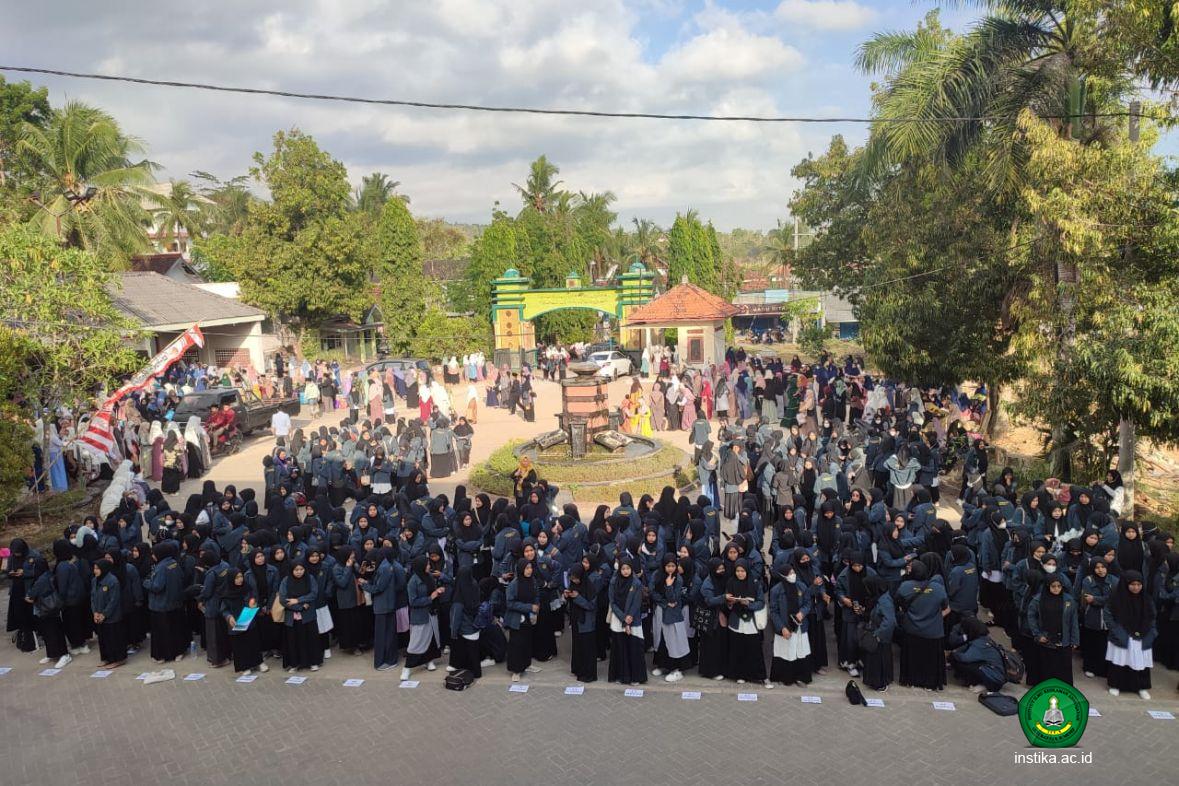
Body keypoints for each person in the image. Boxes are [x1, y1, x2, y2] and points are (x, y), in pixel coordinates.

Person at [896, 560, 949, 690]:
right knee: (930, 660)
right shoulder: (938, 588)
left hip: (912, 630)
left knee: (913, 658)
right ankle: (930, 684)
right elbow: (945, 606)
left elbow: (898, 603)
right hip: (933, 632)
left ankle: (912, 681)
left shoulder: (905, 586)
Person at [1104, 570, 1156, 699]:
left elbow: (1152, 616)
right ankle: (1116, 685)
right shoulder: (1116, 598)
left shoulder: (1146, 599)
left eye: (1139, 584)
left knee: (1141, 662)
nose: (1136, 587)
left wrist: (1151, 632)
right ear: (1126, 584)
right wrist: (1117, 631)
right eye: (1132, 584)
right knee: (1120, 660)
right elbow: (1108, 615)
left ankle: (1141, 687)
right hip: (1122, 635)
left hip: (1142, 635)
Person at [725, 559, 771, 688]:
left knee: (754, 650)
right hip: (736, 620)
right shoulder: (731, 582)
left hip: (751, 621)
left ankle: (760, 676)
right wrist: (730, 602)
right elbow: (727, 602)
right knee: (738, 649)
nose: (740, 573)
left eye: (742, 571)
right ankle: (740, 675)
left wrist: (749, 604)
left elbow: (761, 602)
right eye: (738, 571)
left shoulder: (755, 583)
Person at [1027, 574, 1079, 685]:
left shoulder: (1069, 600)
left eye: (1059, 586)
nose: (1056, 589)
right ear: (1047, 586)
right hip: (1046, 640)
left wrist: (1075, 640)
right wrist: (1038, 634)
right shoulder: (1038, 600)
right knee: (1046, 667)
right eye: (1053, 586)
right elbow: (1031, 618)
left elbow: (1073, 621)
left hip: (1064, 640)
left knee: (1063, 668)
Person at [769, 562, 811, 687]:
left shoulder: (801, 586)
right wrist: (782, 628)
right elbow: (774, 611)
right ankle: (785, 677)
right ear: (783, 576)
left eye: (793, 572)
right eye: (789, 573)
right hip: (785, 626)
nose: (793, 575)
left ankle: (801, 677)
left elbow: (808, 603)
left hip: (799, 626)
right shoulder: (776, 590)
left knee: (800, 650)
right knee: (785, 651)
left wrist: (802, 613)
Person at [402, 555, 444, 680]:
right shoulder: (413, 582)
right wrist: (430, 598)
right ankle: (407, 668)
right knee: (416, 642)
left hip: (431, 613)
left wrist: (438, 591)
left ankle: (428, 660)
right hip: (420, 616)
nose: (429, 566)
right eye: (427, 564)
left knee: (431, 639)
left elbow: (432, 592)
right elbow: (413, 601)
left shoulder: (429, 577)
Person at [26, 556, 71, 669]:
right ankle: (52, 654)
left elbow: (31, 595)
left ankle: (64, 655)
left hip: (47, 609)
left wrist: (29, 597)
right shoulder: (48, 574)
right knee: (49, 633)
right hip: (51, 608)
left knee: (53, 633)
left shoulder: (41, 580)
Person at [278, 560, 323, 672]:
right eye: (296, 570)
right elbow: (283, 600)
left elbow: (313, 594)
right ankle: (295, 664)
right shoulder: (286, 580)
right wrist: (300, 607)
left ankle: (313, 662)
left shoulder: (310, 578)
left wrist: (298, 600)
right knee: (293, 640)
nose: (299, 572)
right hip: (292, 616)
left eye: (301, 569)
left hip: (308, 616)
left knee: (310, 639)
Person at [607, 557, 646, 685]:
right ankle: (621, 676)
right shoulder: (614, 582)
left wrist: (629, 618)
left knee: (634, 648)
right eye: (623, 568)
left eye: (628, 568)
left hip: (633, 620)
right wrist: (623, 617)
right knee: (620, 648)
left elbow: (637, 603)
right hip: (618, 619)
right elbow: (612, 602)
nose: (625, 571)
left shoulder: (636, 583)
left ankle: (636, 677)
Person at [221, 568, 267, 676]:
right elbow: (224, 609)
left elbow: (254, 599)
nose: (240, 579)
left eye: (241, 576)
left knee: (253, 642)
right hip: (236, 621)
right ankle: (244, 666)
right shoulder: (227, 593)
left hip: (248, 618)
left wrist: (254, 604)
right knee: (240, 645)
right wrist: (229, 617)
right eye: (236, 577)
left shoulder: (247, 588)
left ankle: (258, 663)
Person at [505, 558, 540, 683]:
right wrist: (529, 607)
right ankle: (516, 670)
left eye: (530, 568)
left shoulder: (532, 581)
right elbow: (510, 603)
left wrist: (536, 607)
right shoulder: (514, 584)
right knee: (517, 644)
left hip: (529, 618)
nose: (529, 570)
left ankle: (527, 664)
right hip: (517, 619)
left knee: (527, 642)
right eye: (527, 568)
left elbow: (536, 595)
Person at [950, 616, 1006, 693]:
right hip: (997, 677)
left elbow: (965, 658)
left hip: (993, 680)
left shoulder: (979, 643)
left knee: (959, 662)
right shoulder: (985, 639)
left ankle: (983, 684)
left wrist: (954, 653)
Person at [90, 558, 127, 668]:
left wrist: (104, 614)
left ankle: (118, 659)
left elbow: (114, 600)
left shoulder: (112, 581)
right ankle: (106, 658)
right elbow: (92, 597)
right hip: (99, 614)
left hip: (112, 616)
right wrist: (95, 612)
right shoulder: (94, 581)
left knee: (113, 638)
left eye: (97, 569)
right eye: (94, 569)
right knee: (103, 639)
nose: (95, 571)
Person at [447, 566, 483, 679]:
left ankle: (473, 672)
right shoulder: (474, 586)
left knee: (467, 651)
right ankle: (476, 672)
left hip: (464, 628)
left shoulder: (459, 597)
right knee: (474, 652)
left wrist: (453, 632)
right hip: (476, 626)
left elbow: (456, 617)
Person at [565, 563, 597, 683]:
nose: (574, 581)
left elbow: (591, 605)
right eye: (572, 578)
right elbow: (571, 603)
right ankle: (578, 669)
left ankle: (588, 674)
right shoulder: (573, 585)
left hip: (586, 622)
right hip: (576, 621)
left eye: (576, 578)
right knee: (577, 646)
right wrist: (567, 596)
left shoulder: (590, 587)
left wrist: (577, 597)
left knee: (587, 648)